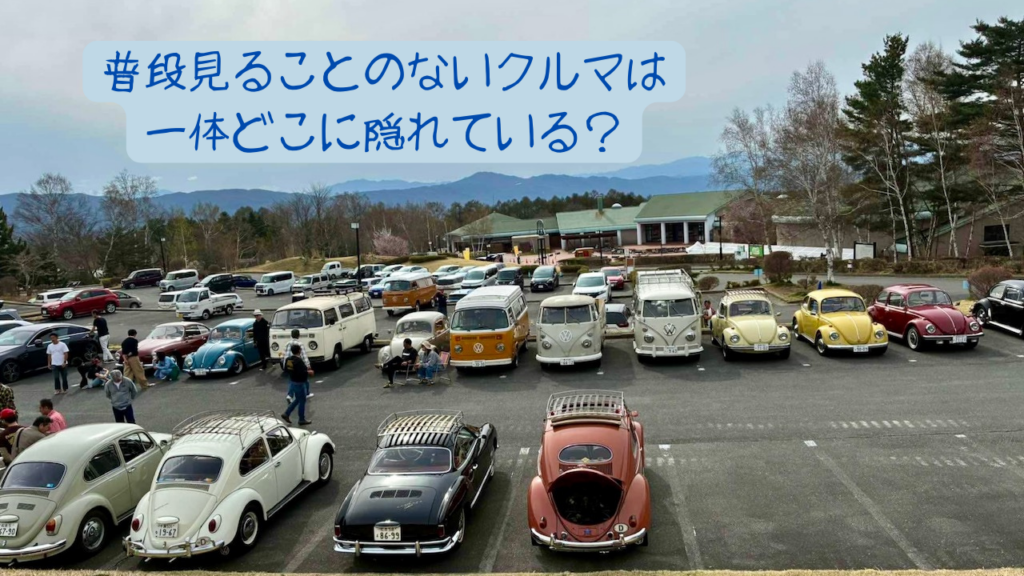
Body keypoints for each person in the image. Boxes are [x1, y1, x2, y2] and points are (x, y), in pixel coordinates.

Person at [281, 345, 312, 426]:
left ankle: (287, 413)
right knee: (302, 401)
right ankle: (301, 419)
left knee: (298, 399)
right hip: (300, 383)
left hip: (293, 382)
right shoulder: (299, 361)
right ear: (299, 350)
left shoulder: (289, 359)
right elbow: (301, 372)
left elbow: (287, 369)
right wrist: (309, 372)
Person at [282, 329, 312, 402]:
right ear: (299, 335)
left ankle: (290, 395)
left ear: (291, 335)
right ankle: (306, 393)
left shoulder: (287, 343)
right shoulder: (300, 344)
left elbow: (284, 354)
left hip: (289, 363)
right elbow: (304, 355)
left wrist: (284, 364)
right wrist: (308, 365)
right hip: (298, 364)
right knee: (304, 379)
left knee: (292, 379)